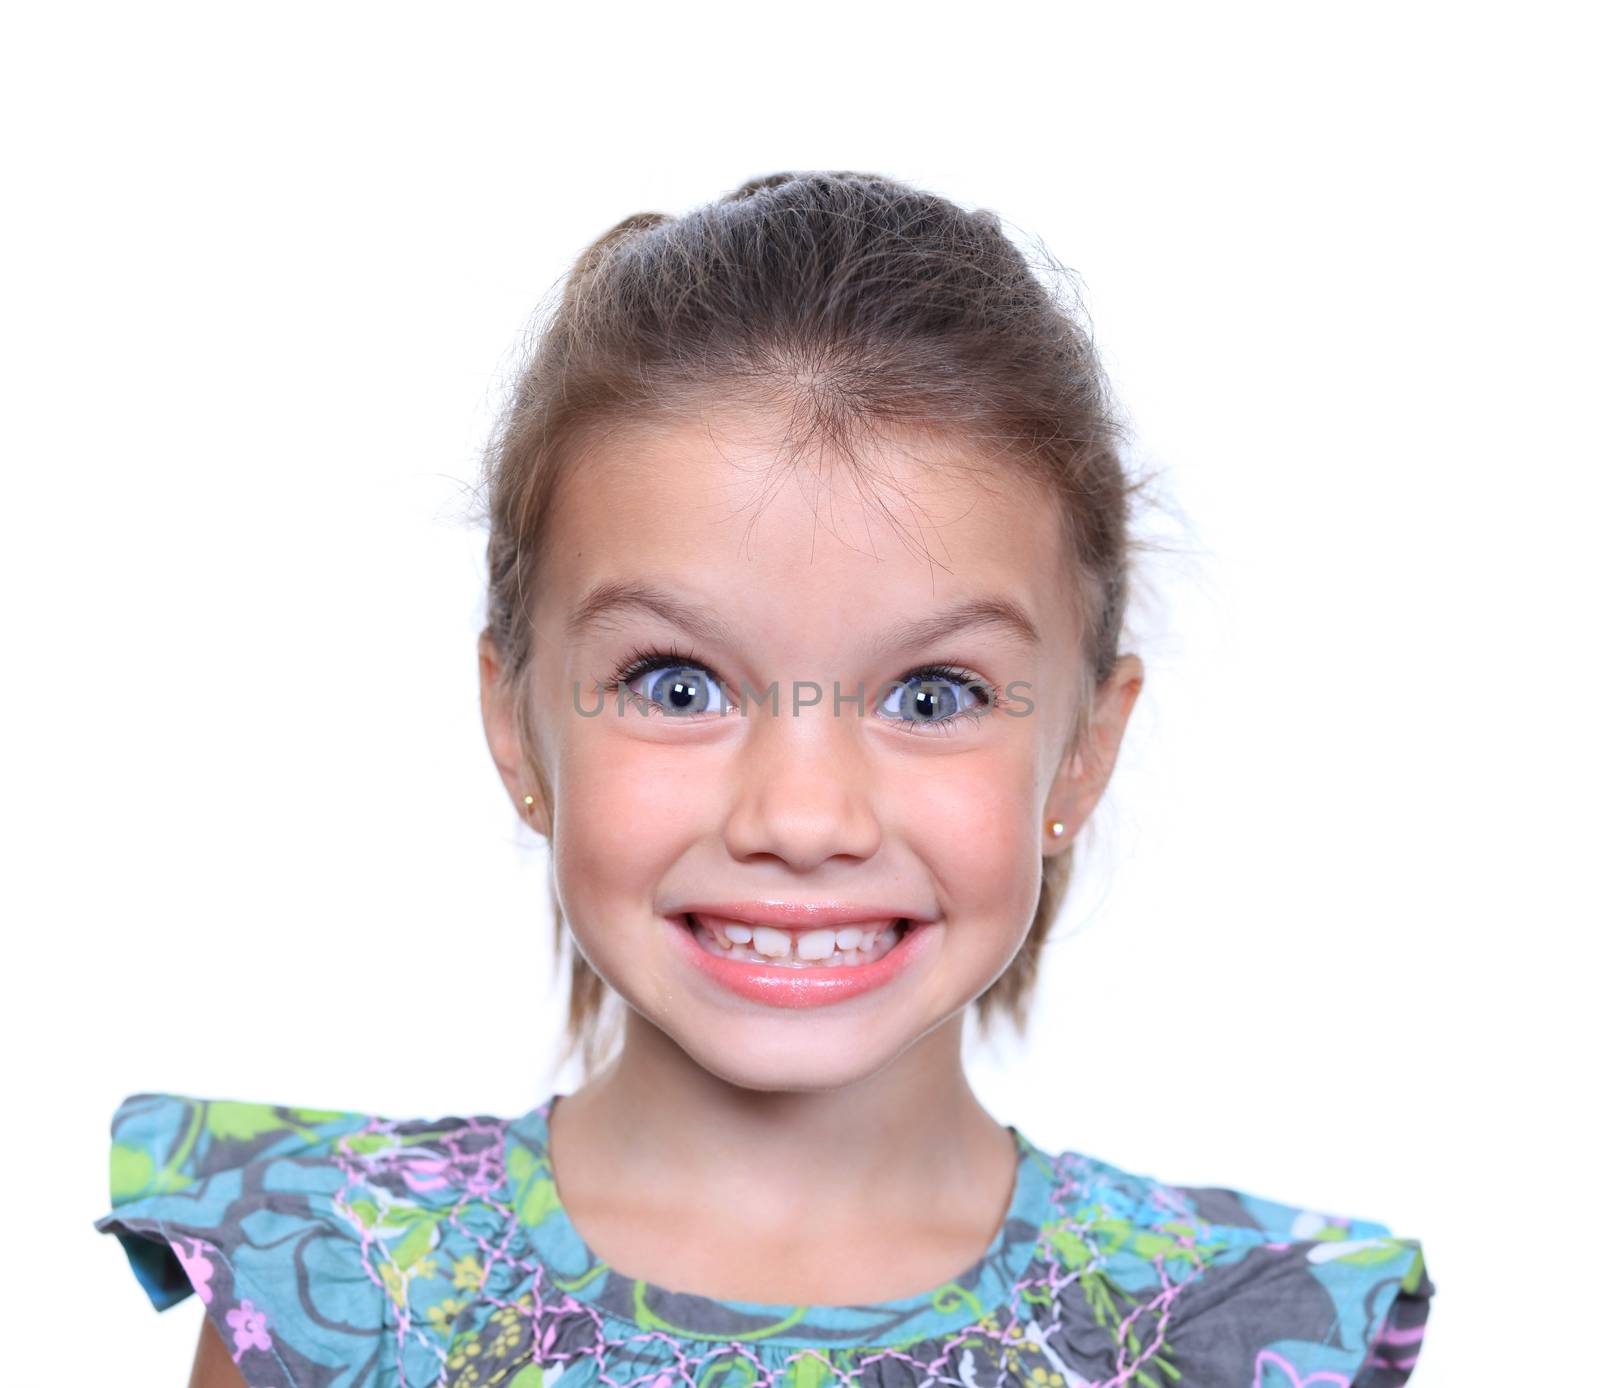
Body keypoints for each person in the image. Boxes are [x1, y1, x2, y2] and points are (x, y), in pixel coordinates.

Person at [95, 170, 1434, 1388]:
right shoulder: (336, 1275)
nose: (800, 820)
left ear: (1081, 748)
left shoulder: (1245, 1336)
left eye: (933, 695)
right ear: (516, 725)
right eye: (678, 686)